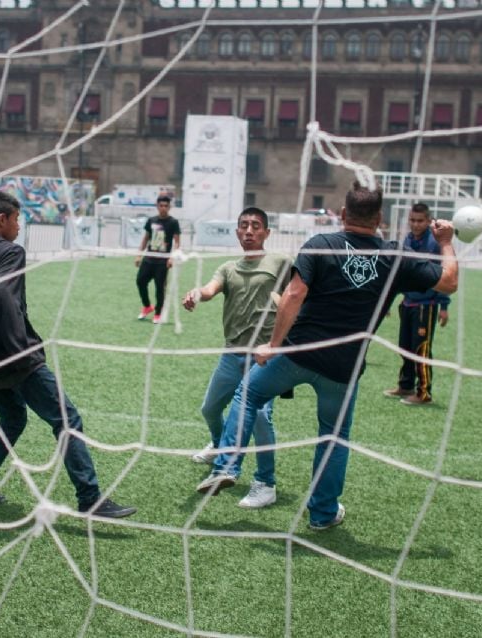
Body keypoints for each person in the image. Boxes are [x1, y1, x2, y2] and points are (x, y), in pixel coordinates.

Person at [195, 182, 458, 530]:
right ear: (379, 218)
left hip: (298, 354)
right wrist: (446, 242)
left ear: (344, 214)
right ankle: (322, 514)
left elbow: (294, 293)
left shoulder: (321, 245)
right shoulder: (394, 256)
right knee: (333, 436)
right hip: (343, 368)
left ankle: (227, 465)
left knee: (248, 394)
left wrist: (273, 344)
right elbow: (449, 282)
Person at [0, 189, 136, 519]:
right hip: (17, 357)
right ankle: (90, 498)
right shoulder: (10, 252)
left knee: (13, 420)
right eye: (16, 219)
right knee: (67, 419)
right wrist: (20, 347)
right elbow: (3, 292)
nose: (19, 226)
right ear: (1, 220)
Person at [182, 207, 292, 509]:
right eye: (243, 225)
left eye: (255, 226)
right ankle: (219, 446)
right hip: (232, 354)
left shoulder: (281, 262)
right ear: (237, 232)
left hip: (265, 358)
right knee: (209, 408)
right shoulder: (228, 267)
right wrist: (196, 294)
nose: (249, 231)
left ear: (266, 233)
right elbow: (210, 289)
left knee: (258, 416)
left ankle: (266, 482)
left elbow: (297, 296)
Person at [384, 203, 451, 406]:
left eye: (420, 221)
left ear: (429, 221)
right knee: (405, 347)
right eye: (412, 220)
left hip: (426, 305)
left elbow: (443, 274)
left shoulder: (433, 244)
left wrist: (444, 306)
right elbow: (401, 272)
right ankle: (406, 385)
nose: (415, 224)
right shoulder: (408, 240)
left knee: (420, 348)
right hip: (408, 303)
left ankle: (424, 392)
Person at [135, 196, 181, 324]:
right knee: (140, 281)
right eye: (161, 206)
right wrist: (139, 255)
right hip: (149, 258)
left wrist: (172, 257)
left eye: (166, 206)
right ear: (157, 206)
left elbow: (177, 242)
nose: (163, 208)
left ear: (169, 207)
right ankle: (147, 306)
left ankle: (158, 313)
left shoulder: (173, 222)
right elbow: (146, 239)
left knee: (160, 288)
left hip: (163, 261)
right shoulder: (151, 220)